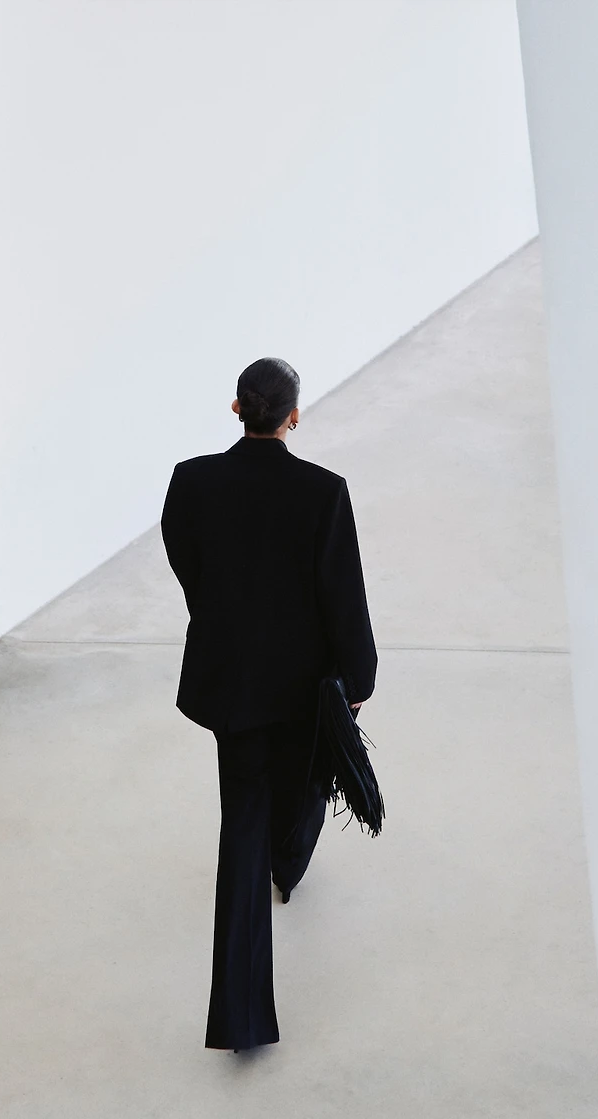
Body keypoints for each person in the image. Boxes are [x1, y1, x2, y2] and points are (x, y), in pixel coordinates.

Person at [160, 356, 377, 1053]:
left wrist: (220, 613)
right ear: (292, 416)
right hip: (303, 683)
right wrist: (360, 676)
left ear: (236, 409)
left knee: (242, 829)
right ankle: (291, 863)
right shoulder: (322, 491)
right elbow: (342, 591)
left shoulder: (192, 482)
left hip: (232, 684)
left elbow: (184, 558)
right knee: (305, 787)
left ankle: (242, 1020)